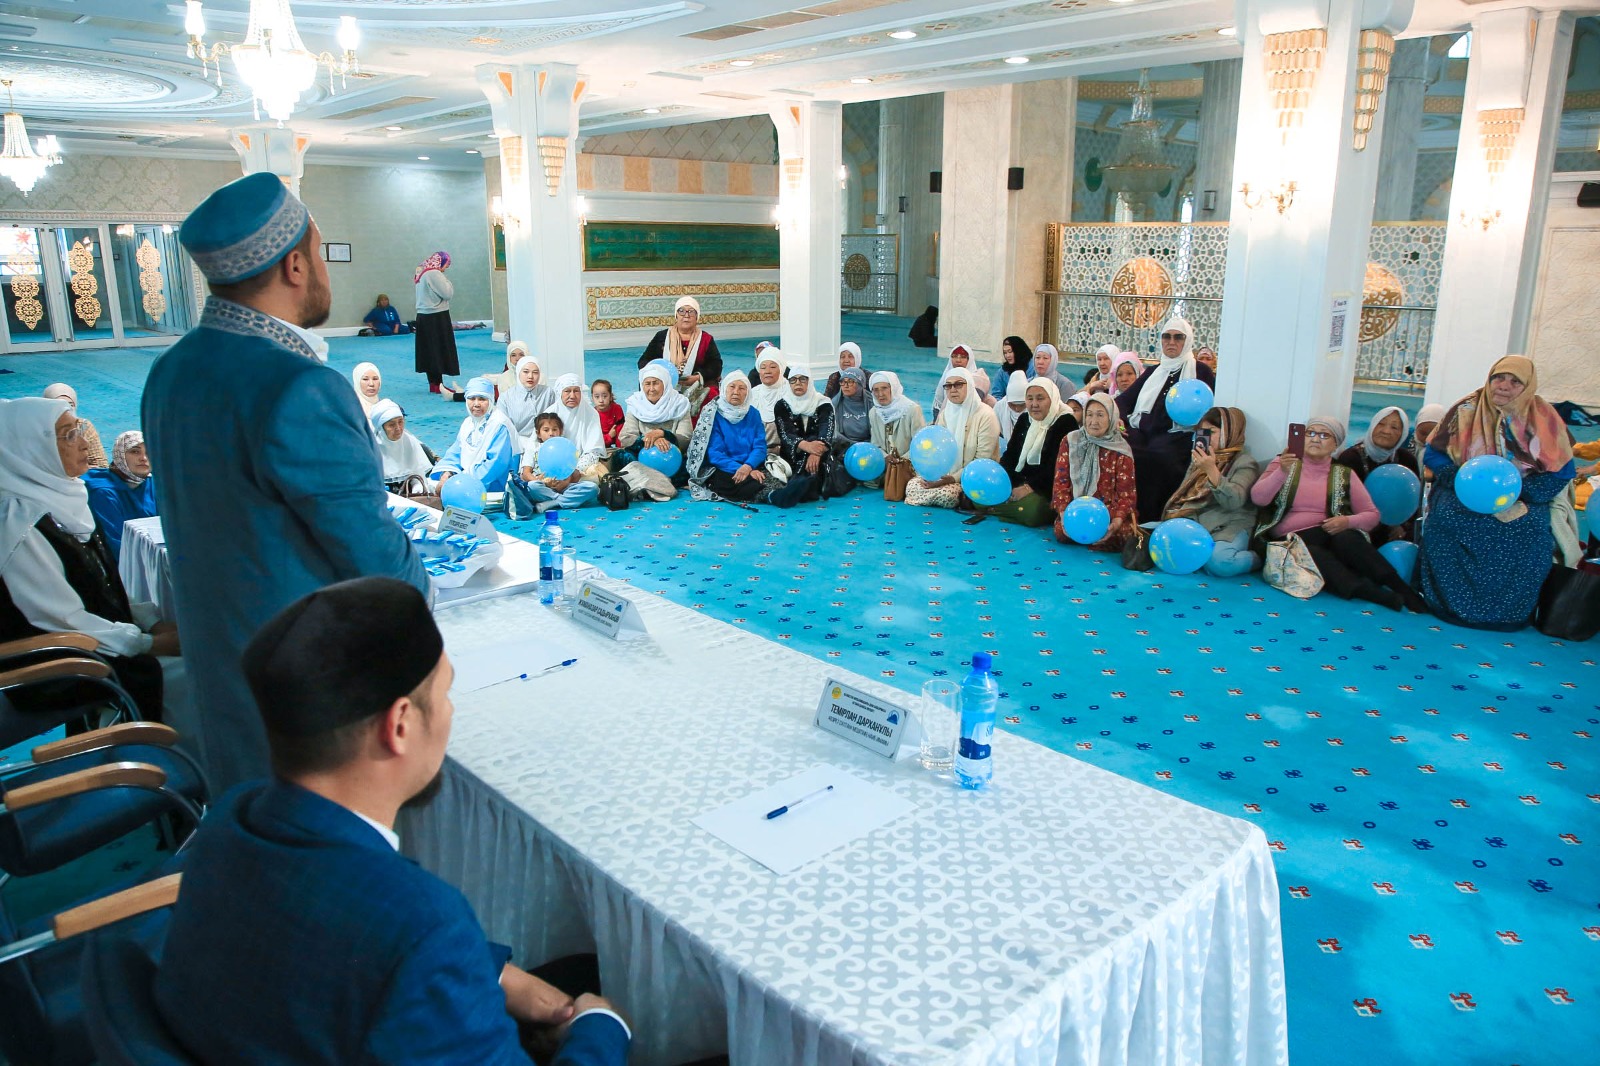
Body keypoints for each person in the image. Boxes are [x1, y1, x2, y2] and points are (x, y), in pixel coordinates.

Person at [153, 577, 631, 1066]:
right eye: (444, 694)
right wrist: (601, 1026)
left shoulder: (232, 818)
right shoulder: (421, 921)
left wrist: (497, 974)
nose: (449, 713)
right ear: (399, 725)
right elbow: (398, 940)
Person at [143, 172, 427, 793]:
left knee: (252, 822)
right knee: (317, 841)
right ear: (296, 265)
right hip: (307, 691)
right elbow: (382, 568)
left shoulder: (170, 372)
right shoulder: (301, 387)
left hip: (222, 666)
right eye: (319, 252)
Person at [0, 399, 177, 722]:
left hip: (93, 641)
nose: (84, 443)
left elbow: (100, 579)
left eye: (78, 430)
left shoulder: (63, 496)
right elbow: (62, 620)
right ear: (27, 448)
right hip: (58, 664)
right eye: (68, 435)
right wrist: (148, 643)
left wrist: (149, 618)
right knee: (194, 674)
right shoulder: (20, 523)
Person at [1417, 356, 1576, 629]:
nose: (1503, 386)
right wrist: (1458, 478)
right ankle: (1451, 605)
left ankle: (1509, 612)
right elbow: (1433, 453)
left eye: (1515, 382)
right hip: (1465, 490)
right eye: (1498, 378)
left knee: (1529, 528)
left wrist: (1524, 491)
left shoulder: (1543, 417)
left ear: (1527, 386)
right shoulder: (1465, 410)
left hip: (1520, 494)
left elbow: (1563, 471)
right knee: (1448, 519)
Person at [1250, 416, 1426, 612]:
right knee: (1314, 553)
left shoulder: (1343, 473)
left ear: (1336, 445)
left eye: (1324, 435)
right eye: (1310, 433)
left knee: (1346, 538)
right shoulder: (1282, 463)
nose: (1315, 439)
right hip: (1288, 540)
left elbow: (1372, 515)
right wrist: (1282, 472)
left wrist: (1347, 521)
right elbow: (1259, 498)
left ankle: (1401, 588)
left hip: (1327, 532)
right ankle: (1373, 593)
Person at [1115, 316, 1217, 527]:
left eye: (1178, 337)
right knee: (1122, 451)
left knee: (1159, 458)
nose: (1171, 342)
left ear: (1187, 341)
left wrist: (1204, 440)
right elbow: (1123, 401)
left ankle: (1152, 519)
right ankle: (1123, 516)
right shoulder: (1154, 371)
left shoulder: (1200, 371)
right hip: (1143, 432)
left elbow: (1211, 411)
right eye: (1166, 337)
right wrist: (1118, 419)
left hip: (1180, 435)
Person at [1160, 407, 1261, 577]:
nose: (1205, 437)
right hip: (1199, 522)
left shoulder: (1245, 462)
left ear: (1229, 433)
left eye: (1211, 432)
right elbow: (1185, 496)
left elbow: (1234, 501)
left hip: (1230, 525)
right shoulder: (1200, 460)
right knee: (1158, 539)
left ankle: (1259, 559)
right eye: (1202, 432)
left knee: (1219, 561)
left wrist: (1211, 470)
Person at [1052, 393, 1138, 550]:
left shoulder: (1121, 449)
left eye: (1100, 415)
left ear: (1111, 417)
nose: (1093, 421)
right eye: (1089, 415)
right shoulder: (1071, 440)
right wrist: (1064, 514)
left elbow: (1126, 494)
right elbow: (1061, 482)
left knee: (1121, 534)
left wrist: (1116, 521)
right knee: (1061, 532)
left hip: (1108, 513)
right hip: (1077, 510)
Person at [906, 367, 999, 509]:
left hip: (972, 476)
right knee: (912, 486)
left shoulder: (985, 415)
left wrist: (951, 479)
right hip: (944, 475)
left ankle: (948, 496)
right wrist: (932, 476)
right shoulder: (945, 414)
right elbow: (936, 449)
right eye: (948, 386)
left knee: (948, 496)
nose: (953, 390)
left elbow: (981, 460)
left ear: (970, 385)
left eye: (959, 384)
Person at [994, 379, 1075, 528]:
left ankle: (995, 509)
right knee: (980, 495)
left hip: (1045, 489)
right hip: (1018, 481)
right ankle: (1004, 508)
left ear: (1053, 398)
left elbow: (1056, 468)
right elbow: (1010, 455)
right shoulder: (1025, 419)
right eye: (1030, 399)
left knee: (1033, 512)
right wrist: (1004, 480)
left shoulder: (1066, 422)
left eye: (1040, 398)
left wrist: (1028, 488)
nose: (1034, 404)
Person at [1336, 406, 1419, 544]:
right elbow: (1341, 501)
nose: (1386, 431)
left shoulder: (1406, 460)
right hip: (1357, 527)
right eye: (1381, 424)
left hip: (1395, 531)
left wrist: (1403, 526)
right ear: (1373, 426)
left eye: (1394, 427)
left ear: (1403, 434)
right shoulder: (1350, 458)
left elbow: (1413, 499)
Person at [687, 372, 769, 503]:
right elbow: (715, 454)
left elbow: (760, 447)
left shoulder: (753, 413)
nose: (736, 392)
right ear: (724, 389)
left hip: (750, 464)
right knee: (727, 481)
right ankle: (769, 496)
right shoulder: (713, 413)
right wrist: (741, 469)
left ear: (748, 392)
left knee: (766, 476)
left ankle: (771, 493)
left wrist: (748, 466)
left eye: (742, 388)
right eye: (732, 387)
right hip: (724, 466)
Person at [638, 296, 722, 418]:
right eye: (681, 311)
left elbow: (716, 365)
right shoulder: (662, 336)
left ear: (697, 317)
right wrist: (661, 374)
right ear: (676, 315)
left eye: (691, 311)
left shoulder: (705, 339)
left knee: (711, 393)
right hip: (665, 383)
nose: (686, 315)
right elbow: (643, 361)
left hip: (695, 384)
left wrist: (698, 377)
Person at [83, 430, 159, 560]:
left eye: (149, 452)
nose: (144, 458)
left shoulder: (153, 484)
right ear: (120, 455)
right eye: (135, 452)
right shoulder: (103, 492)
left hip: (149, 555)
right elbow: (116, 545)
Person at [768, 367, 837, 508]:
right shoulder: (782, 405)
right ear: (788, 383)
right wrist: (808, 447)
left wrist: (815, 453)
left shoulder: (823, 403)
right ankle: (802, 486)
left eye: (802, 379)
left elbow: (826, 432)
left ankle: (801, 487)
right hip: (792, 456)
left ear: (809, 382)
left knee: (815, 471)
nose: (798, 383)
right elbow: (786, 434)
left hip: (819, 456)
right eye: (793, 380)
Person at [434, 378, 516, 491]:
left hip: (494, 485)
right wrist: (447, 473)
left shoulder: (499, 425)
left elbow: (496, 464)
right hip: (467, 479)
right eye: (472, 399)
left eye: (482, 399)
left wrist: (462, 481)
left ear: (491, 400)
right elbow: (456, 453)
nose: (476, 404)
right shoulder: (468, 423)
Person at [615, 363, 693, 479]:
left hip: (672, 458)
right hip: (642, 457)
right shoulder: (636, 404)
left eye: (656, 383)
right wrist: (650, 440)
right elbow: (626, 438)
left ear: (665, 384)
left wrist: (663, 434)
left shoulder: (680, 404)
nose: (651, 389)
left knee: (695, 461)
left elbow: (686, 439)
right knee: (621, 456)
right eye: (647, 384)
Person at [510, 413, 598, 515]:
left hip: (563, 487)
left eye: (554, 429)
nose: (551, 433)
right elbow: (526, 473)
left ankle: (553, 503)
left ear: (560, 431)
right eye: (546, 430)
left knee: (592, 488)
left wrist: (565, 483)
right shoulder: (533, 449)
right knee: (532, 486)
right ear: (538, 433)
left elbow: (573, 473)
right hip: (543, 488)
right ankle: (561, 500)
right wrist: (540, 481)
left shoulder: (565, 448)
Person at [413, 251, 458, 394]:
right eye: (446, 265)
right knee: (438, 350)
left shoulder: (421, 271)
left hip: (423, 316)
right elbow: (447, 293)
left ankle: (433, 383)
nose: (445, 269)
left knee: (429, 351)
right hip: (436, 316)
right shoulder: (434, 273)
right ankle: (438, 384)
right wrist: (448, 282)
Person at [867, 371, 926, 483]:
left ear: (893, 388)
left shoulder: (912, 409)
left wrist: (901, 460)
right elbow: (875, 444)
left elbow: (920, 444)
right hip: (886, 463)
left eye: (884, 388)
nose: (880, 394)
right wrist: (885, 457)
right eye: (876, 390)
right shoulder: (874, 413)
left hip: (911, 462)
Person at [369, 401, 437, 492]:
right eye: (391, 425)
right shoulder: (370, 448)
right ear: (381, 428)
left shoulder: (409, 441)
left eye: (400, 422)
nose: (398, 428)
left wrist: (417, 485)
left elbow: (417, 472)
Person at [498, 354, 556, 457]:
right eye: (525, 372)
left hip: (545, 446)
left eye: (535, 372)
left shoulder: (548, 393)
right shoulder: (506, 398)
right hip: (516, 448)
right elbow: (503, 429)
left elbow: (555, 422)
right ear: (518, 372)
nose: (530, 376)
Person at [42, 383, 107, 468]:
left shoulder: (84, 426)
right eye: (59, 405)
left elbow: (101, 464)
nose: (66, 409)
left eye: (70, 405)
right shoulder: (39, 428)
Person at [932, 344, 986, 414]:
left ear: (969, 360)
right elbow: (938, 403)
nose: (958, 360)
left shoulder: (977, 381)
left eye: (963, 357)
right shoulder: (945, 378)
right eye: (954, 356)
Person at [747, 348, 789, 433]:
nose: (767, 371)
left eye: (773, 367)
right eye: (763, 367)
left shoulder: (790, 393)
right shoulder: (753, 394)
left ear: (781, 369)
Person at [832, 367, 873, 449]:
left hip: (870, 447)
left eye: (850, 381)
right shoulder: (835, 404)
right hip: (843, 446)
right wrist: (851, 445)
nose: (845, 386)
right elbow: (832, 433)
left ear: (861, 384)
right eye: (842, 381)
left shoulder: (872, 403)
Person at [995, 373, 1029, 452]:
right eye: (1012, 405)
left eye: (1021, 405)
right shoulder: (1000, 408)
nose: (1017, 409)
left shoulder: (1034, 409)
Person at [592, 380, 624, 449]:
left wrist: (620, 449)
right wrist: (609, 436)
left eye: (605, 396)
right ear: (592, 398)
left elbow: (620, 431)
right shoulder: (592, 414)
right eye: (597, 397)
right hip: (601, 444)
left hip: (616, 441)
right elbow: (593, 440)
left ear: (610, 397)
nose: (601, 400)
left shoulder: (617, 409)